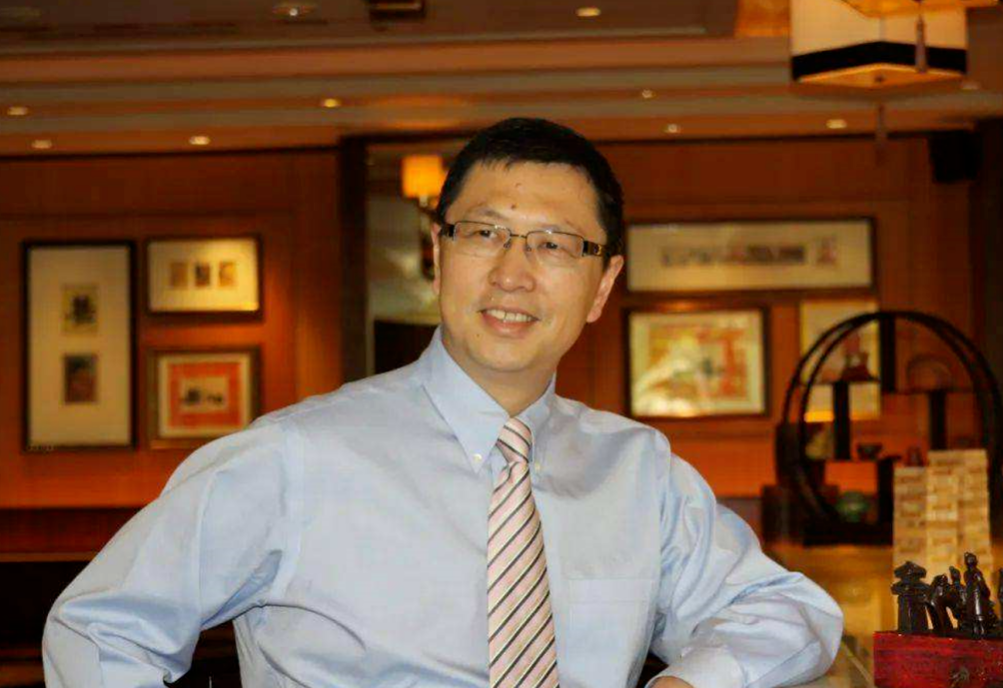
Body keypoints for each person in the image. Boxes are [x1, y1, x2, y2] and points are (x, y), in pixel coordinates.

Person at [43, 118, 843, 688]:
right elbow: (101, 628)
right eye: (484, 234)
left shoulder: (637, 470)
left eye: (554, 245)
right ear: (437, 255)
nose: (512, 274)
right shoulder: (293, 456)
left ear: (601, 286)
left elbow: (787, 612)